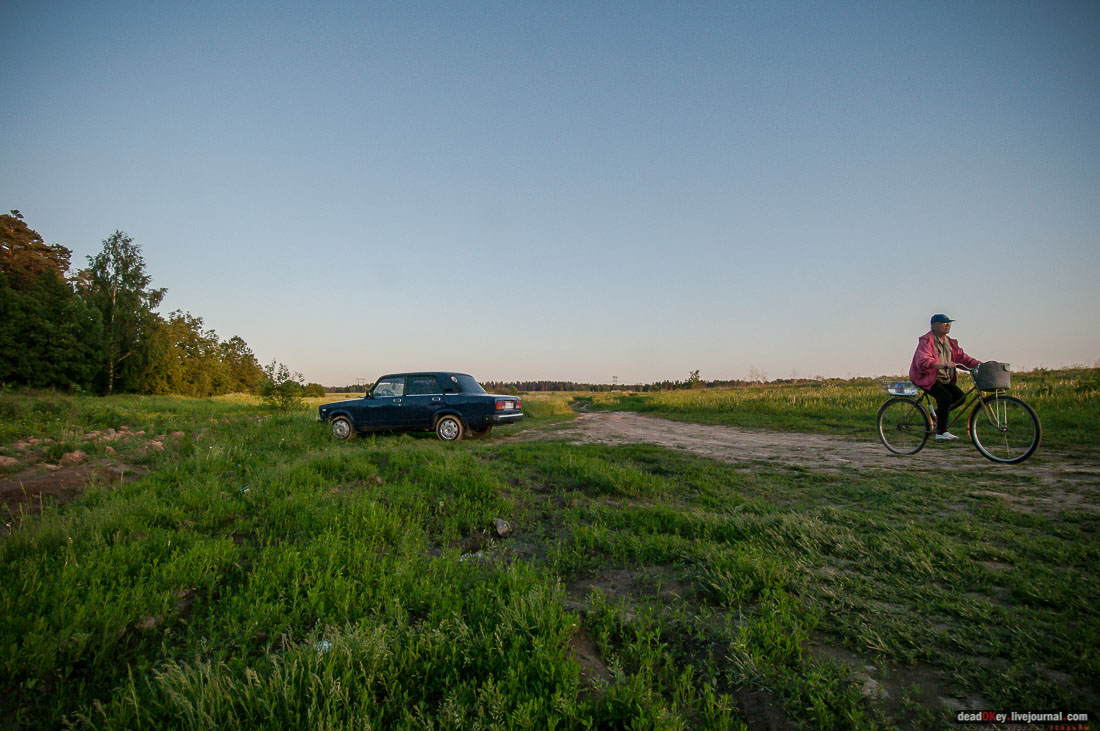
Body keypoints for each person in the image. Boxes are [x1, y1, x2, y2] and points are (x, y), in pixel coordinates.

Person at [909, 314, 981, 441]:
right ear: (934, 326)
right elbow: (923, 359)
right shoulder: (926, 340)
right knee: (945, 397)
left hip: (943, 378)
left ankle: (936, 415)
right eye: (944, 323)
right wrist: (940, 365)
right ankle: (941, 432)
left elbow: (963, 358)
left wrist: (980, 365)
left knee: (960, 397)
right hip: (926, 377)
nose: (948, 325)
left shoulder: (950, 343)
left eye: (949, 323)